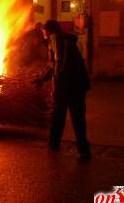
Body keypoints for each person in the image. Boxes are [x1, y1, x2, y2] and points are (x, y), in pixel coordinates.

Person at [38, 20, 91, 158]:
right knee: (74, 118)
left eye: (44, 31)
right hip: (77, 85)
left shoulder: (56, 40)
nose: (44, 34)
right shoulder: (63, 40)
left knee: (61, 116)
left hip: (69, 86)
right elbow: (54, 66)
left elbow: (60, 65)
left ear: (49, 30)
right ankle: (81, 149)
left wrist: (57, 89)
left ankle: (55, 144)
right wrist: (42, 79)